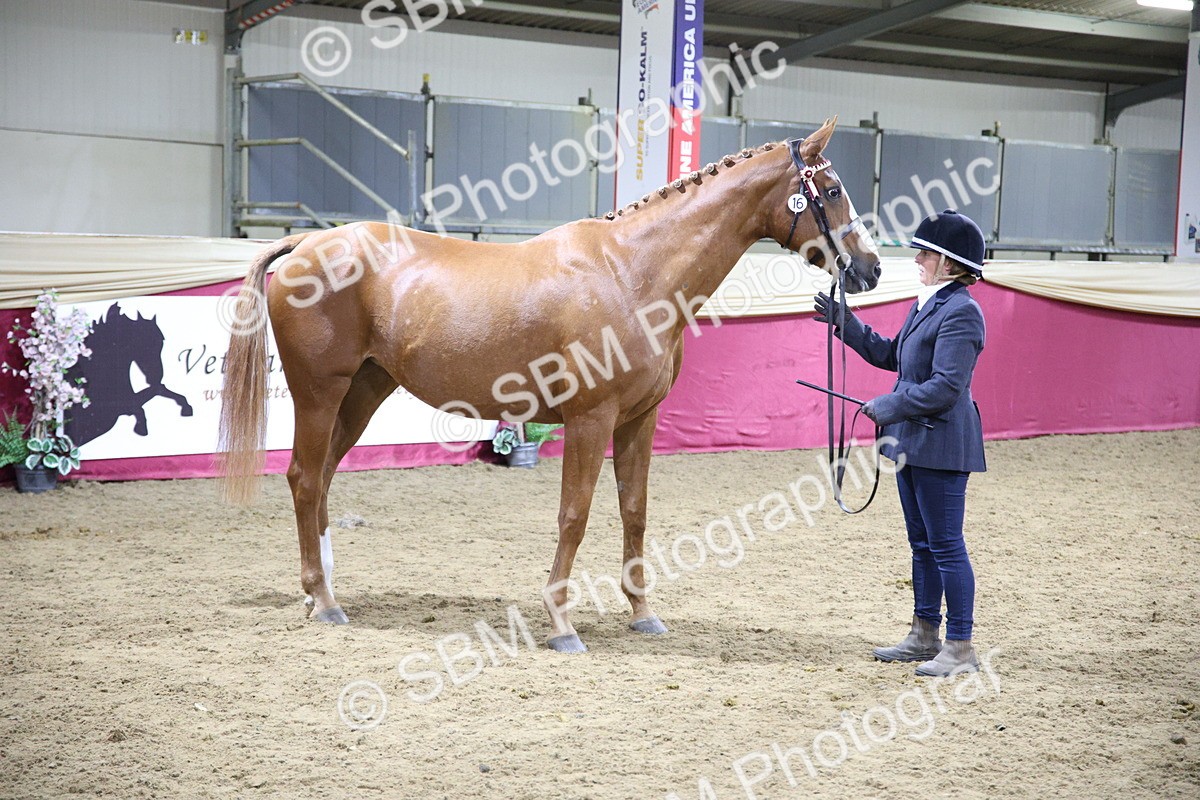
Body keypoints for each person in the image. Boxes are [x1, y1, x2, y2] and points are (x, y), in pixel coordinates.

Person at [813, 209, 987, 677]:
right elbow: (895, 356)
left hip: (944, 444)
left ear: (948, 263)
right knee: (922, 545)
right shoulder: (928, 304)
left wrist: (890, 405)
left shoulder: (963, 313)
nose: (917, 258)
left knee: (947, 545)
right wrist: (845, 324)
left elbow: (946, 387)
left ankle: (961, 647)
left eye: (925, 253)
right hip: (912, 441)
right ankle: (924, 633)